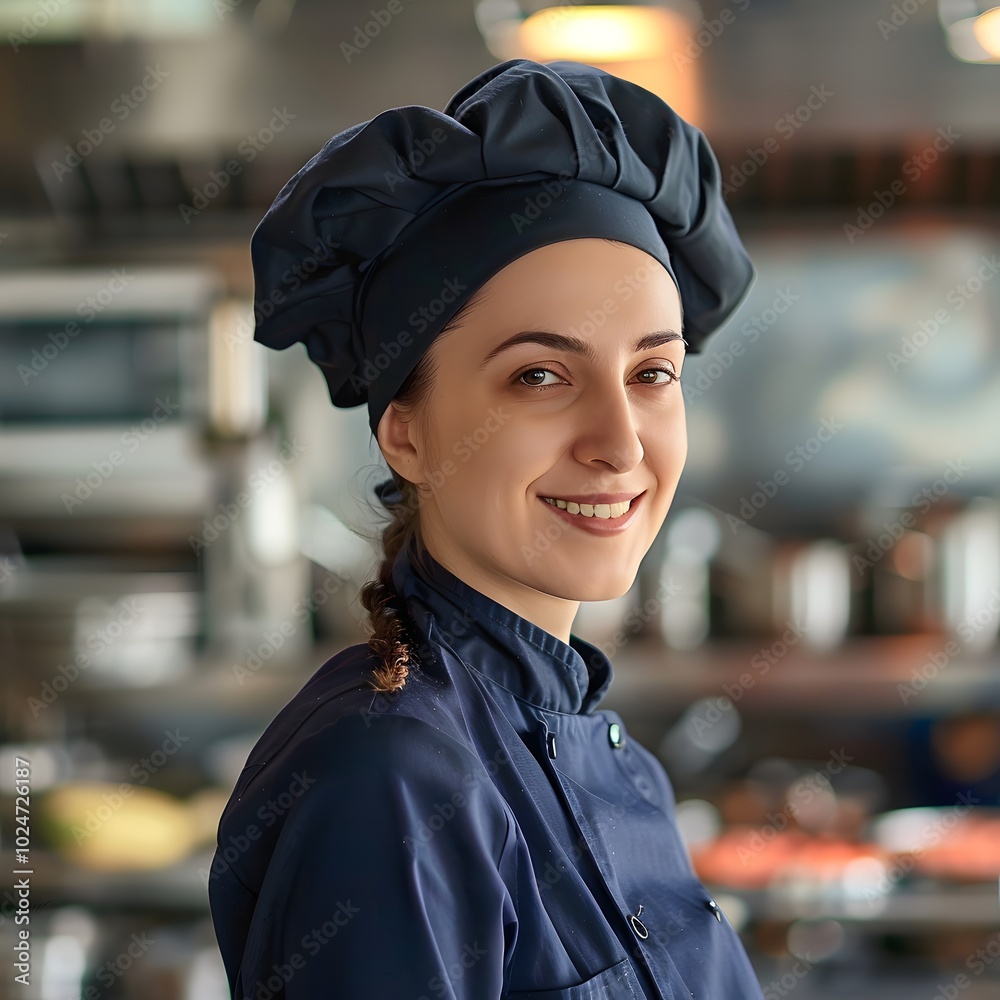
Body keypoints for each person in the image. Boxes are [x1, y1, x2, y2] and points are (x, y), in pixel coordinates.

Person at [208, 57, 762, 999]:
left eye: (652, 374)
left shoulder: (622, 766)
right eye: (540, 376)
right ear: (408, 432)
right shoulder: (389, 780)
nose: (619, 443)